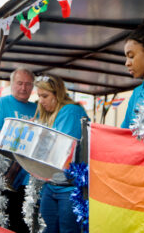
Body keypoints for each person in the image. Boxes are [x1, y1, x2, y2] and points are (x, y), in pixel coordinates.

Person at [0, 67, 37, 233]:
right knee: (2, 221)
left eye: (28, 84)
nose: (23, 88)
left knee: (22, 223)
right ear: (12, 84)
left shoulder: (37, 108)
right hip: (5, 173)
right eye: (19, 83)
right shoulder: (1, 103)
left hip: (28, 176)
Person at [34, 74, 88, 233]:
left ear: (57, 94)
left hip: (69, 187)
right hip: (52, 184)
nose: (41, 101)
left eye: (45, 96)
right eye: (39, 96)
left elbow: (60, 150)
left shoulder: (70, 111)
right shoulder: (51, 115)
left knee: (67, 230)